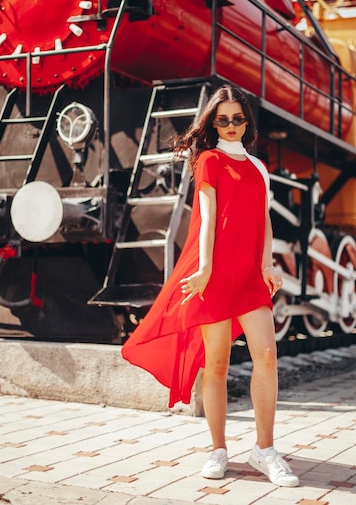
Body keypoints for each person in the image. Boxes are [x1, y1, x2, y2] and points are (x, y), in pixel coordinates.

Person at [122, 84, 299, 488]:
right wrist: (203, 270)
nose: (232, 125)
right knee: (216, 364)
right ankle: (218, 449)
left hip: (251, 279)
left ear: (247, 121)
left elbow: (264, 220)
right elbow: (207, 214)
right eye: (223, 119)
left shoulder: (258, 167)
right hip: (215, 275)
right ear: (212, 122)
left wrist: (267, 264)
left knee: (267, 356)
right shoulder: (209, 160)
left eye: (239, 118)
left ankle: (265, 450)